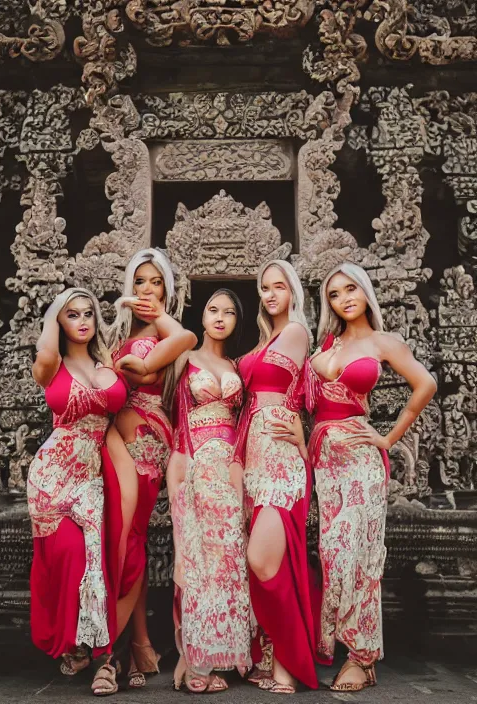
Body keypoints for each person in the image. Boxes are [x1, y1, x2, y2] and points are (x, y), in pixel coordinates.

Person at [288, 262, 437, 692]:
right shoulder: (325, 346)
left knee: (356, 548)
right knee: (334, 554)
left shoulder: (384, 342)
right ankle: (353, 653)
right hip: (325, 462)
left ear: (365, 291)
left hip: (361, 459)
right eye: (334, 294)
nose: (344, 298)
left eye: (351, 288)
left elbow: (424, 385)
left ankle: (361, 656)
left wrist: (388, 438)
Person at [27, 288, 127, 697]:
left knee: (94, 560)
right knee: (67, 558)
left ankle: (106, 659)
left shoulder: (109, 363)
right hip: (51, 476)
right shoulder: (52, 364)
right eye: (72, 315)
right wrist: (55, 313)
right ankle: (77, 643)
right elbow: (46, 353)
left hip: (90, 476)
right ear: (60, 322)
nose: (83, 320)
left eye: (88, 313)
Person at [105, 248, 197, 688]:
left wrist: (142, 357)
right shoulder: (118, 331)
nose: (145, 290)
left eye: (155, 281)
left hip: (147, 438)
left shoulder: (167, 330)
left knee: (131, 534)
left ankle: (114, 648)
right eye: (139, 281)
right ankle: (139, 642)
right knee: (123, 535)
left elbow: (186, 340)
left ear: (167, 289)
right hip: (112, 442)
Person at [232, 260, 321, 694]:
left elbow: (285, 390)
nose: (269, 295)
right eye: (264, 288)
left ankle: (290, 662)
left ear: (293, 292)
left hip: (279, 456)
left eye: (279, 287)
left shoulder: (296, 332)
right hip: (252, 454)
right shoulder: (266, 339)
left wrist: (300, 433)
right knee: (272, 562)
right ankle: (272, 659)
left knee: (262, 559)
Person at [167, 289, 252, 693]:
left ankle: (206, 656)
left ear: (238, 321)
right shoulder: (186, 359)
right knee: (197, 558)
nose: (220, 318)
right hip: (197, 462)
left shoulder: (236, 365)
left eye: (229, 312)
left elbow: (247, 419)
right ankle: (196, 661)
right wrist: (181, 470)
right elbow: (178, 416)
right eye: (213, 310)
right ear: (199, 316)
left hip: (231, 469)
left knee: (227, 561)